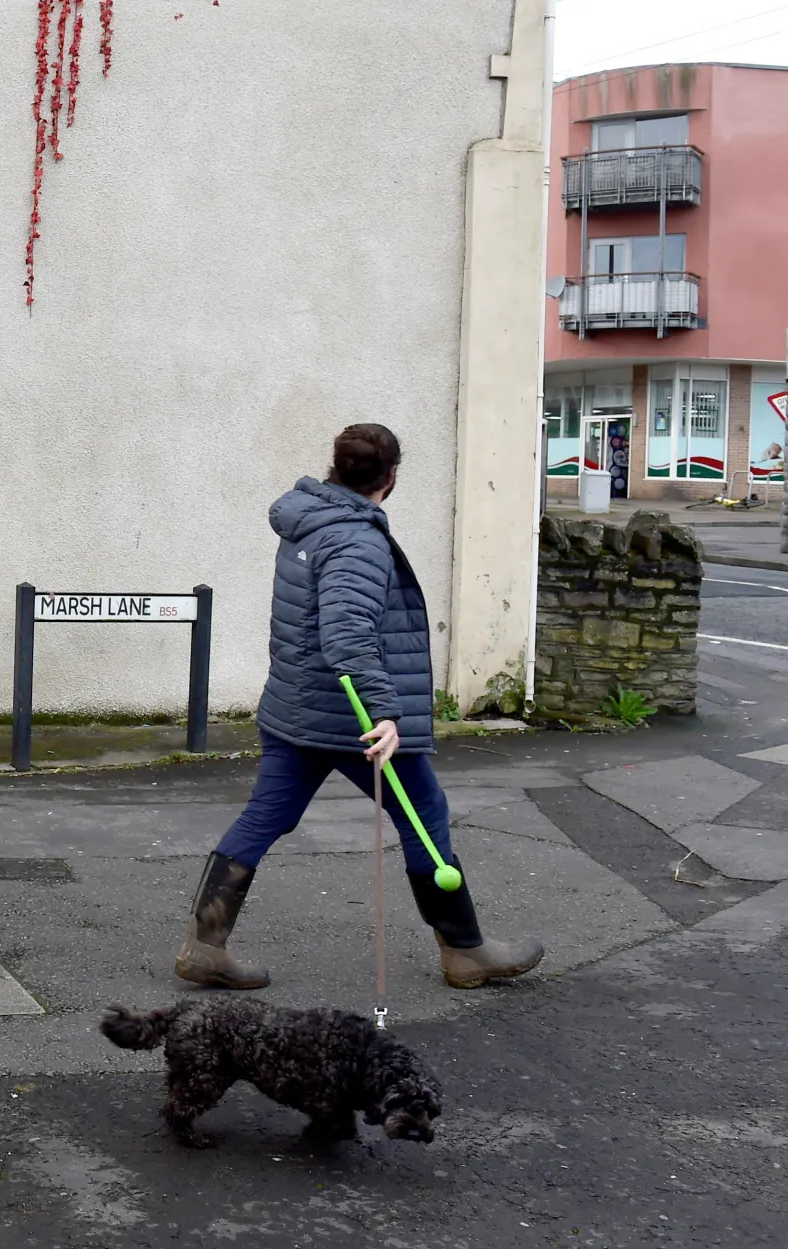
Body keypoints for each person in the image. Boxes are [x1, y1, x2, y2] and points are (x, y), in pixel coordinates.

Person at [176, 423, 544, 991]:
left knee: (267, 816)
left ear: (336, 467)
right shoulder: (357, 540)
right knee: (424, 817)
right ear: (391, 477)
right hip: (350, 719)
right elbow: (346, 635)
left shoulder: (308, 523)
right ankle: (466, 951)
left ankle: (204, 946)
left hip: (294, 706)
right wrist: (384, 712)